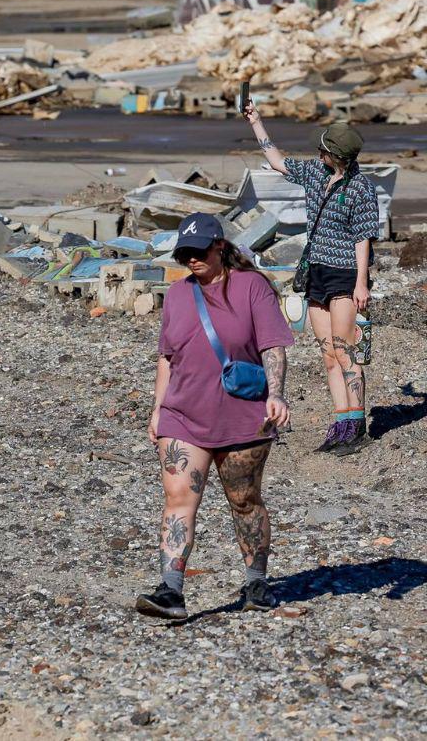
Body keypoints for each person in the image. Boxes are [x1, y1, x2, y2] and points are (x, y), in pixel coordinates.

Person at [136, 213, 294, 621]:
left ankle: (256, 580)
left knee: (244, 501)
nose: (192, 259)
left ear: (220, 247)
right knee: (179, 497)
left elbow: (273, 347)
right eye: (185, 253)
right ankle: (170, 590)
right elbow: (166, 359)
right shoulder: (176, 295)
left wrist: (275, 395)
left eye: (199, 251)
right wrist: (157, 411)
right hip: (183, 414)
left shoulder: (253, 288)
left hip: (243, 416)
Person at [242, 104, 381, 455]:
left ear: (336, 155)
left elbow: (364, 237)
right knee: (329, 354)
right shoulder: (316, 174)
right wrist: (256, 122)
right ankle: (340, 421)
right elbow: (277, 161)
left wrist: (361, 283)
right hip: (317, 272)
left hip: (346, 274)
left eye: (323, 149)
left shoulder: (362, 189)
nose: (317, 152)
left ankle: (356, 425)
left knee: (347, 352)